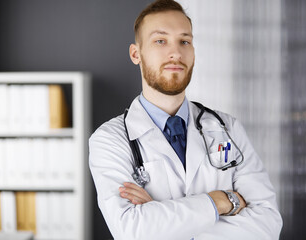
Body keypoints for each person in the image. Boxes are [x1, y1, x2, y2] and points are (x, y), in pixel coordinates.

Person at [89, 0, 283, 239]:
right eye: (160, 40)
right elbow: (131, 230)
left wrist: (164, 222)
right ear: (135, 54)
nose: (176, 52)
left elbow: (268, 225)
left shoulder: (228, 127)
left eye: (184, 41)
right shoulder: (109, 139)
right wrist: (220, 202)